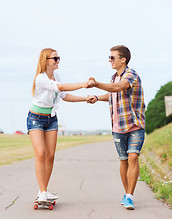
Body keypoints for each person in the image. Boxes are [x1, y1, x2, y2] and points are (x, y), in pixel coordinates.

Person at [27, 48, 90, 202]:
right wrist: (83, 84)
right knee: (40, 153)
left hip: (51, 119)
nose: (58, 61)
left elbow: (64, 95)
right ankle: (42, 192)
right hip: (35, 118)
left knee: (51, 156)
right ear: (46, 60)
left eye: (58, 58)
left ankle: (44, 191)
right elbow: (61, 88)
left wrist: (85, 98)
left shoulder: (57, 76)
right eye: (55, 58)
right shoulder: (40, 78)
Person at [87, 45, 145, 210]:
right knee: (124, 160)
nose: (109, 60)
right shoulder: (113, 77)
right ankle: (127, 193)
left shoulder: (131, 74)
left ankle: (129, 196)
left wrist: (96, 83)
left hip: (134, 124)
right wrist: (97, 97)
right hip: (117, 126)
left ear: (123, 59)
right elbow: (112, 93)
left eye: (112, 57)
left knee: (133, 156)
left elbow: (119, 88)